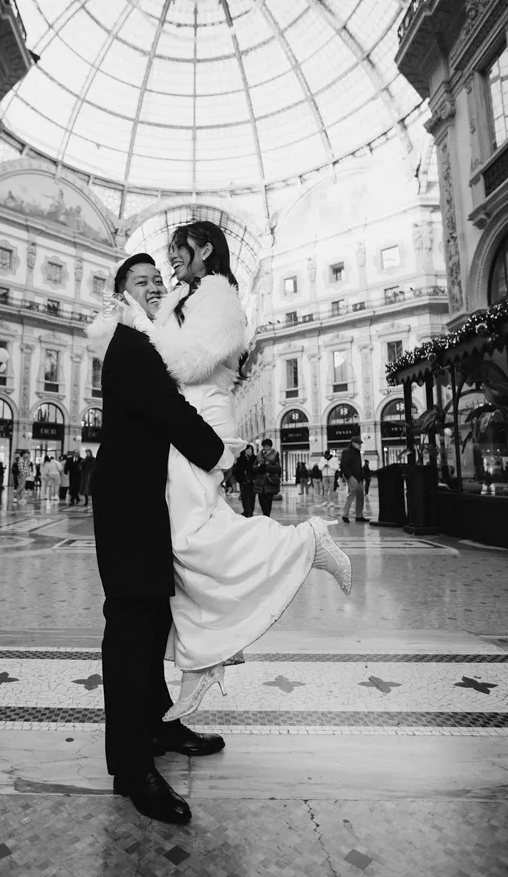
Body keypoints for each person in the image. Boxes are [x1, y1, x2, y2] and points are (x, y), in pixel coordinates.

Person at [93, 223, 351, 729]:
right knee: (188, 548)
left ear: (205, 251)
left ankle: (306, 542)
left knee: (193, 538)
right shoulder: (184, 298)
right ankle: (204, 658)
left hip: (202, 424)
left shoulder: (218, 296)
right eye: (148, 273)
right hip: (187, 426)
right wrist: (140, 324)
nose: (169, 265)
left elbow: (184, 364)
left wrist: (137, 327)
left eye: (176, 253)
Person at [87, 253, 232, 827]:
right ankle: (130, 767)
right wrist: (221, 454)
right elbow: (169, 412)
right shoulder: (129, 344)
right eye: (141, 281)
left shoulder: (151, 343)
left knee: (154, 619)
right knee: (131, 626)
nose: (154, 287)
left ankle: (159, 725)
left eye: (157, 281)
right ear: (122, 294)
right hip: (126, 505)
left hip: (149, 503)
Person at [340, 435, 368, 523]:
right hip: (352, 477)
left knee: (360, 496)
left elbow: (359, 466)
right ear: (353, 443)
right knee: (352, 495)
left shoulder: (357, 453)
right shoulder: (346, 452)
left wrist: (362, 475)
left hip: (359, 477)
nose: (360, 445)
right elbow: (344, 465)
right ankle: (345, 515)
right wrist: (349, 476)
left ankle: (359, 516)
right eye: (358, 443)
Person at [253, 439, 282, 516]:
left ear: (270, 446)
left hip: (270, 480)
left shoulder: (275, 454)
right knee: (261, 499)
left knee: (269, 500)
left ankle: (267, 516)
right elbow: (254, 467)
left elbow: (278, 468)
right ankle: (265, 514)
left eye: (267, 446)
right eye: (264, 446)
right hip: (260, 481)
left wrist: (267, 466)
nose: (266, 448)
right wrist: (259, 467)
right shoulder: (259, 455)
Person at [232, 444, 255, 517]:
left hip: (252, 482)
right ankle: (246, 511)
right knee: (244, 498)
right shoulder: (240, 459)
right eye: (247, 449)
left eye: (250, 449)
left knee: (252, 498)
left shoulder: (254, 459)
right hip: (243, 482)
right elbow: (235, 471)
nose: (249, 451)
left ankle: (250, 512)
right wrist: (239, 479)